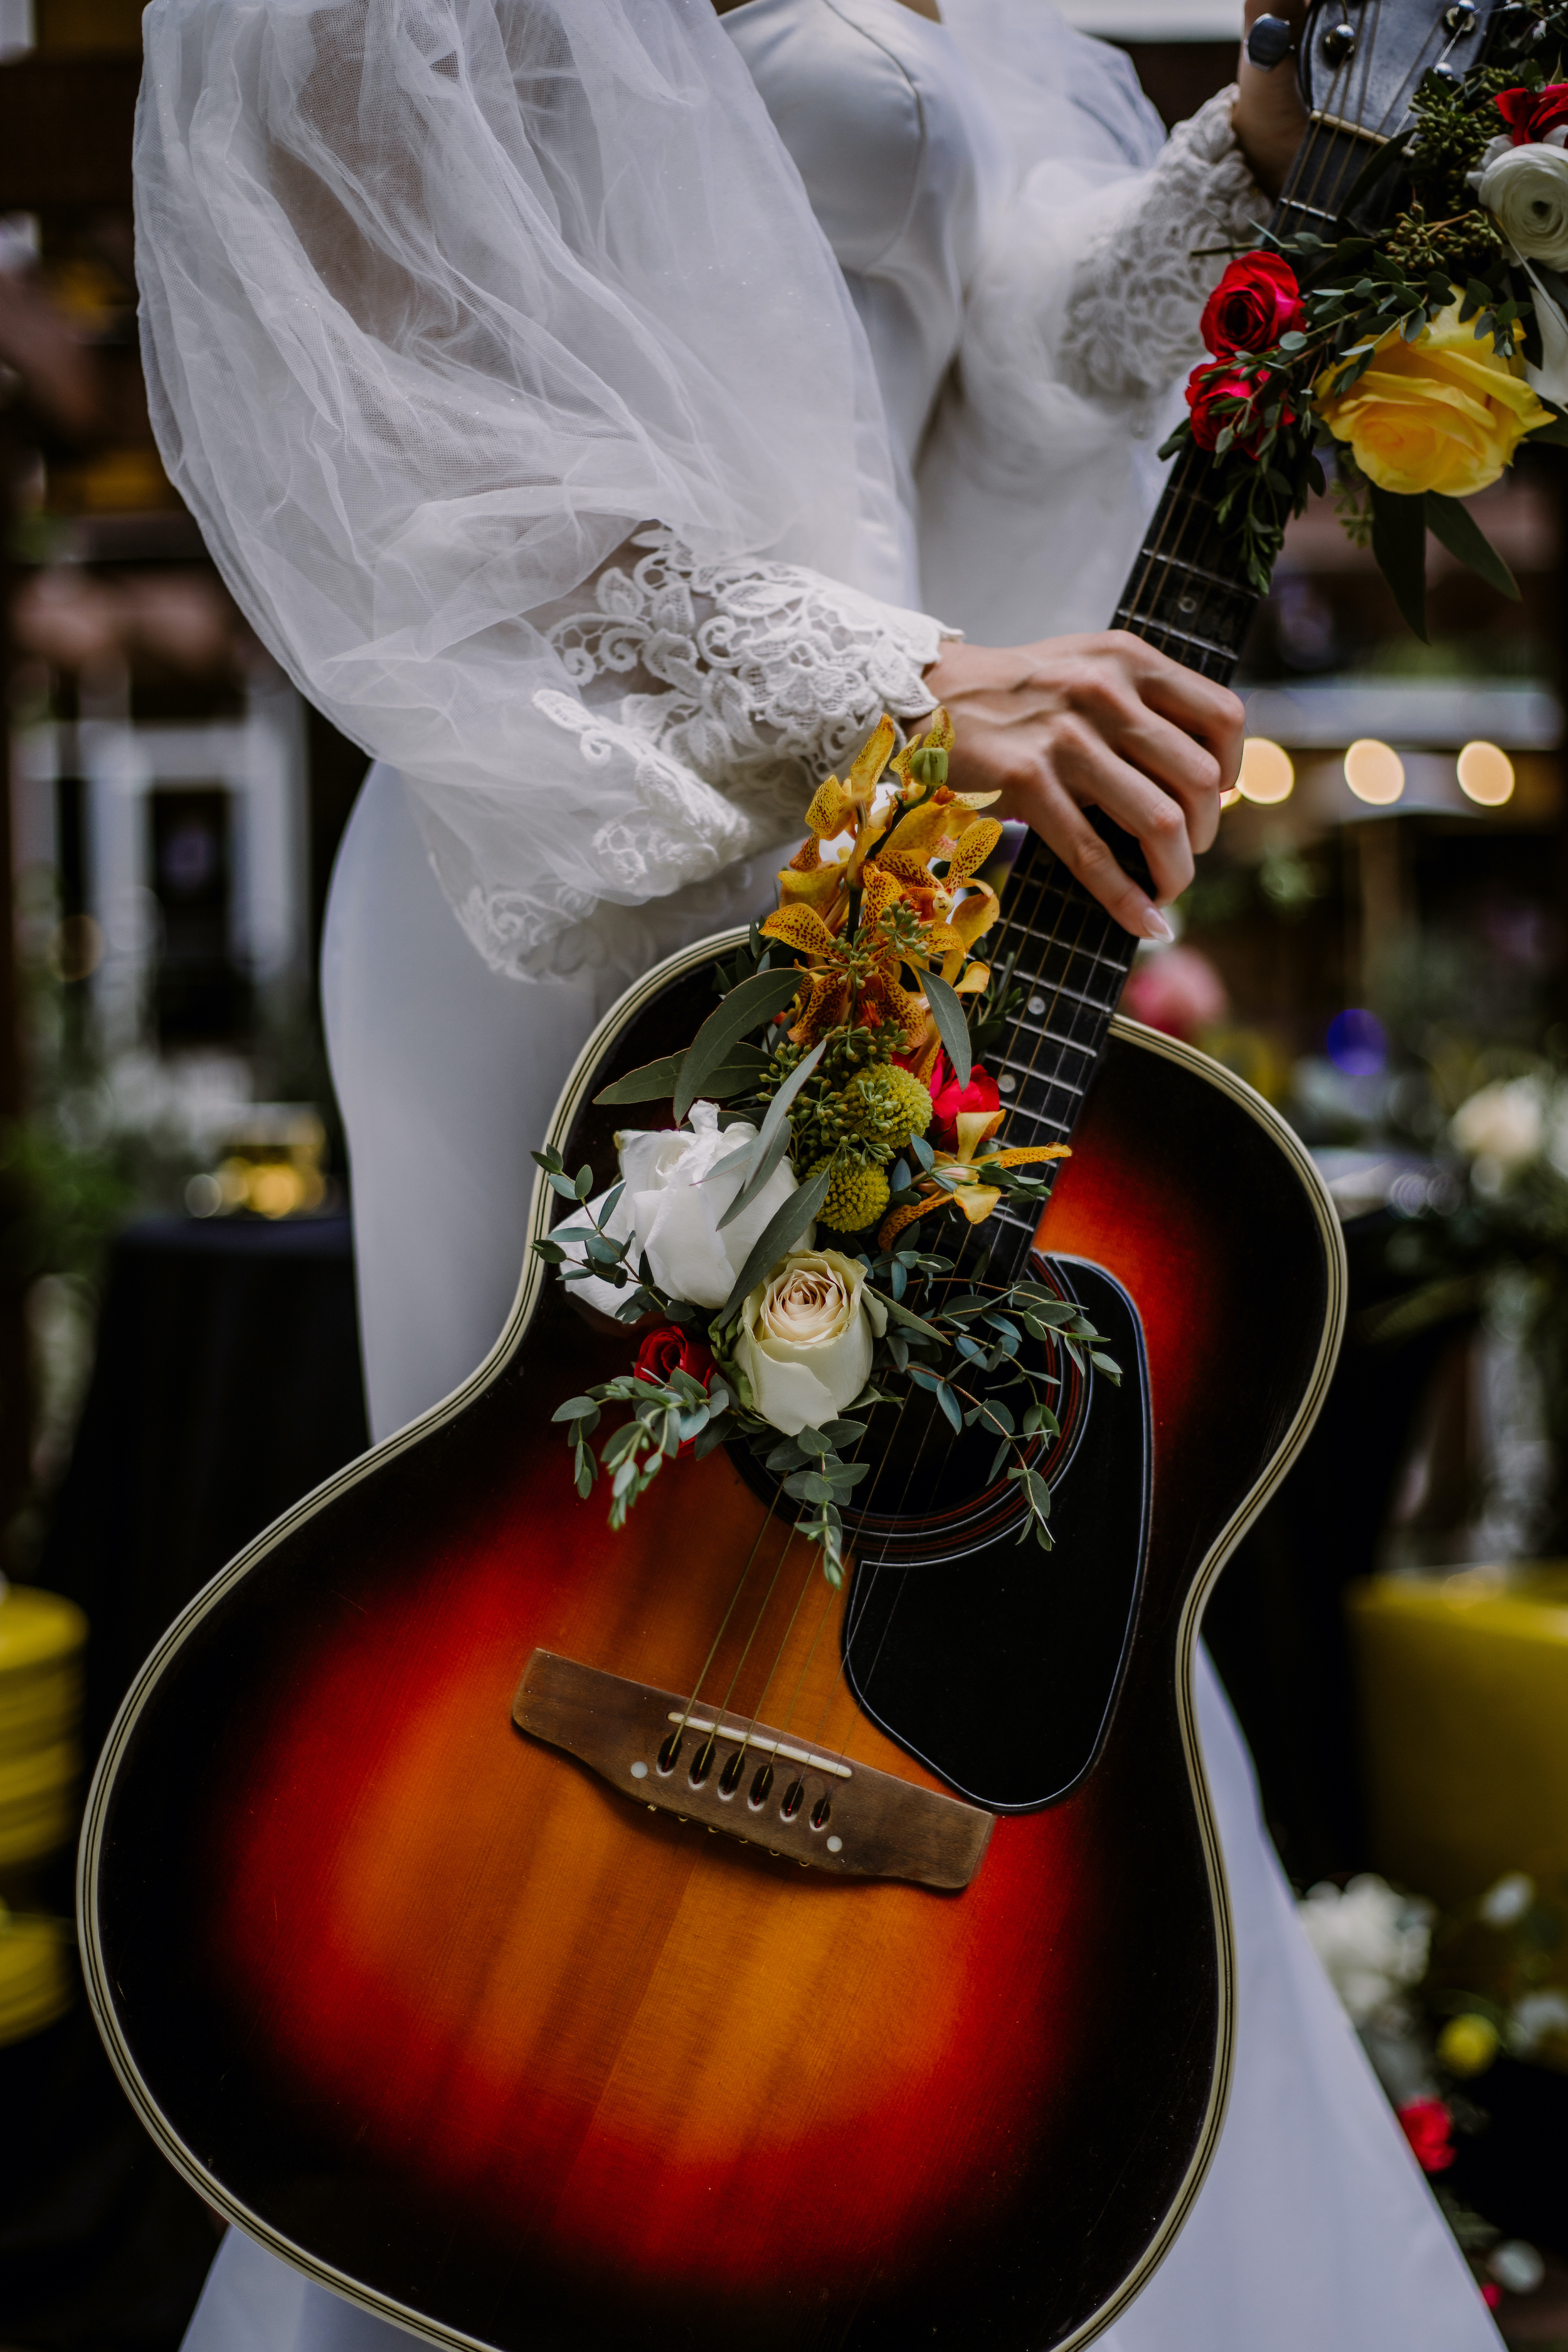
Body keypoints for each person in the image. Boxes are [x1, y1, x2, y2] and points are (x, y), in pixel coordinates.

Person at [132, 0, 1502, 2344]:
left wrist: (1272, 145)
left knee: (999, 1660)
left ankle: (982, 2185)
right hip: (569, 882)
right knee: (556, 1679)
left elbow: (1037, 346)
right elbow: (353, 355)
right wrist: (893, 678)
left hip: (924, 877)